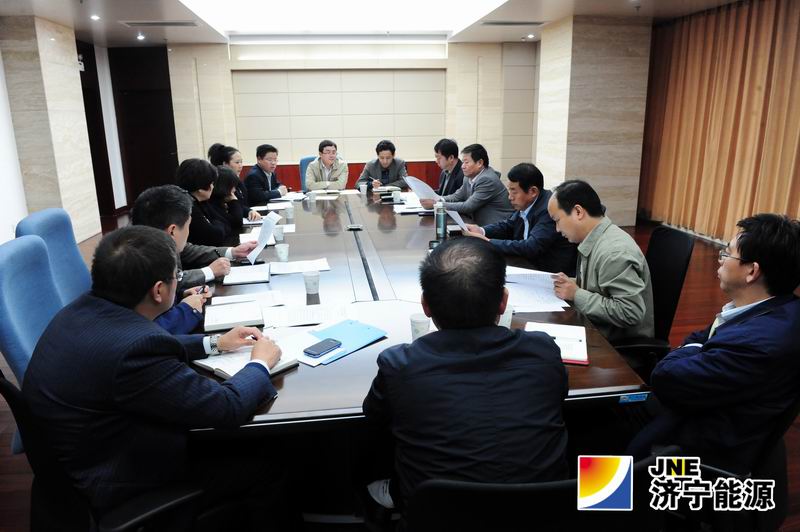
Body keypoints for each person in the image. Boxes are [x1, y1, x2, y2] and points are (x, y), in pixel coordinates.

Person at [22, 225, 285, 524]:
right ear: (159, 290)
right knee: (271, 463)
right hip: (121, 480)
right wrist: (260, 363)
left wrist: (214, 343)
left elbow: (142, 343)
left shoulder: (79, 310)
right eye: (177, 277)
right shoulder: (137, 351)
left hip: (82, 459)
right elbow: (227, 406)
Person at [362, 237, 569, 511]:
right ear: (503, 302)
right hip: (550, 513)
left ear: (425, 305)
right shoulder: (543, 351)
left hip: (439, 515)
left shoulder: (400, 366)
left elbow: (374, 417)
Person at [635, 214, 800, 471]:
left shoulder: (757, 344)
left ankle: (603, 497)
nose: (720, 259)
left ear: (752, 271)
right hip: (697, 414)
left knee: (590, 451)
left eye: (728, 253)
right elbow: (700, 339)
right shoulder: (773, 308)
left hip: (688, 455)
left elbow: (665, 376)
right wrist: (697, 348)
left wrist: (693, 349)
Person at [547, 179, 654, 342]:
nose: (557, 229)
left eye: (557, 220)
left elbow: (629, 312)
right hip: (596, 329)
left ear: (578, 212)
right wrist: (572, 283)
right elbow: (601, 286)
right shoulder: (593, 238)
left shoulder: (614, 252)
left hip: (615, 345)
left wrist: (576, 294)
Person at [463, 162, 577, 275]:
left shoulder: (547, 210)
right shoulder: (527, 203)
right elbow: (509, 225)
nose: (510, 197)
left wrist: (488, 242)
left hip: (549, 273)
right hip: (528, 264)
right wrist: (481, 231)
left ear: (533, 191)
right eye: (509, 190)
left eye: (514, 191)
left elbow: (531, 247)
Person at [420, 144, 513, 225]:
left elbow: (468, 206)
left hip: (497, 227)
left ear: (480, 163)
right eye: (463, 162)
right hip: (477, 224)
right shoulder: (468, 176)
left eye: (466, 162)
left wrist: (437, 204)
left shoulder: (487, 180)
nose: (462, 166)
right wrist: (438, 199)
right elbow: (457, 196)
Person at [177, 158, 238, 247]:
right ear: (201, 187)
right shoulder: (189, 207)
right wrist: (216, 223)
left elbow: (227, 224)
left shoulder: (202, 202)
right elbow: (215, 237)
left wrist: (216, 224)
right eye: (211, 183)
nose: (213, 187)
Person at [208, 143, 261, 221]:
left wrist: (249, 211)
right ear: (225, 164)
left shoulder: (238, 181)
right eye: (237, 162)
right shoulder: (219, 185)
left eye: (241, 162)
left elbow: (242, 204)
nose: (240, 166)